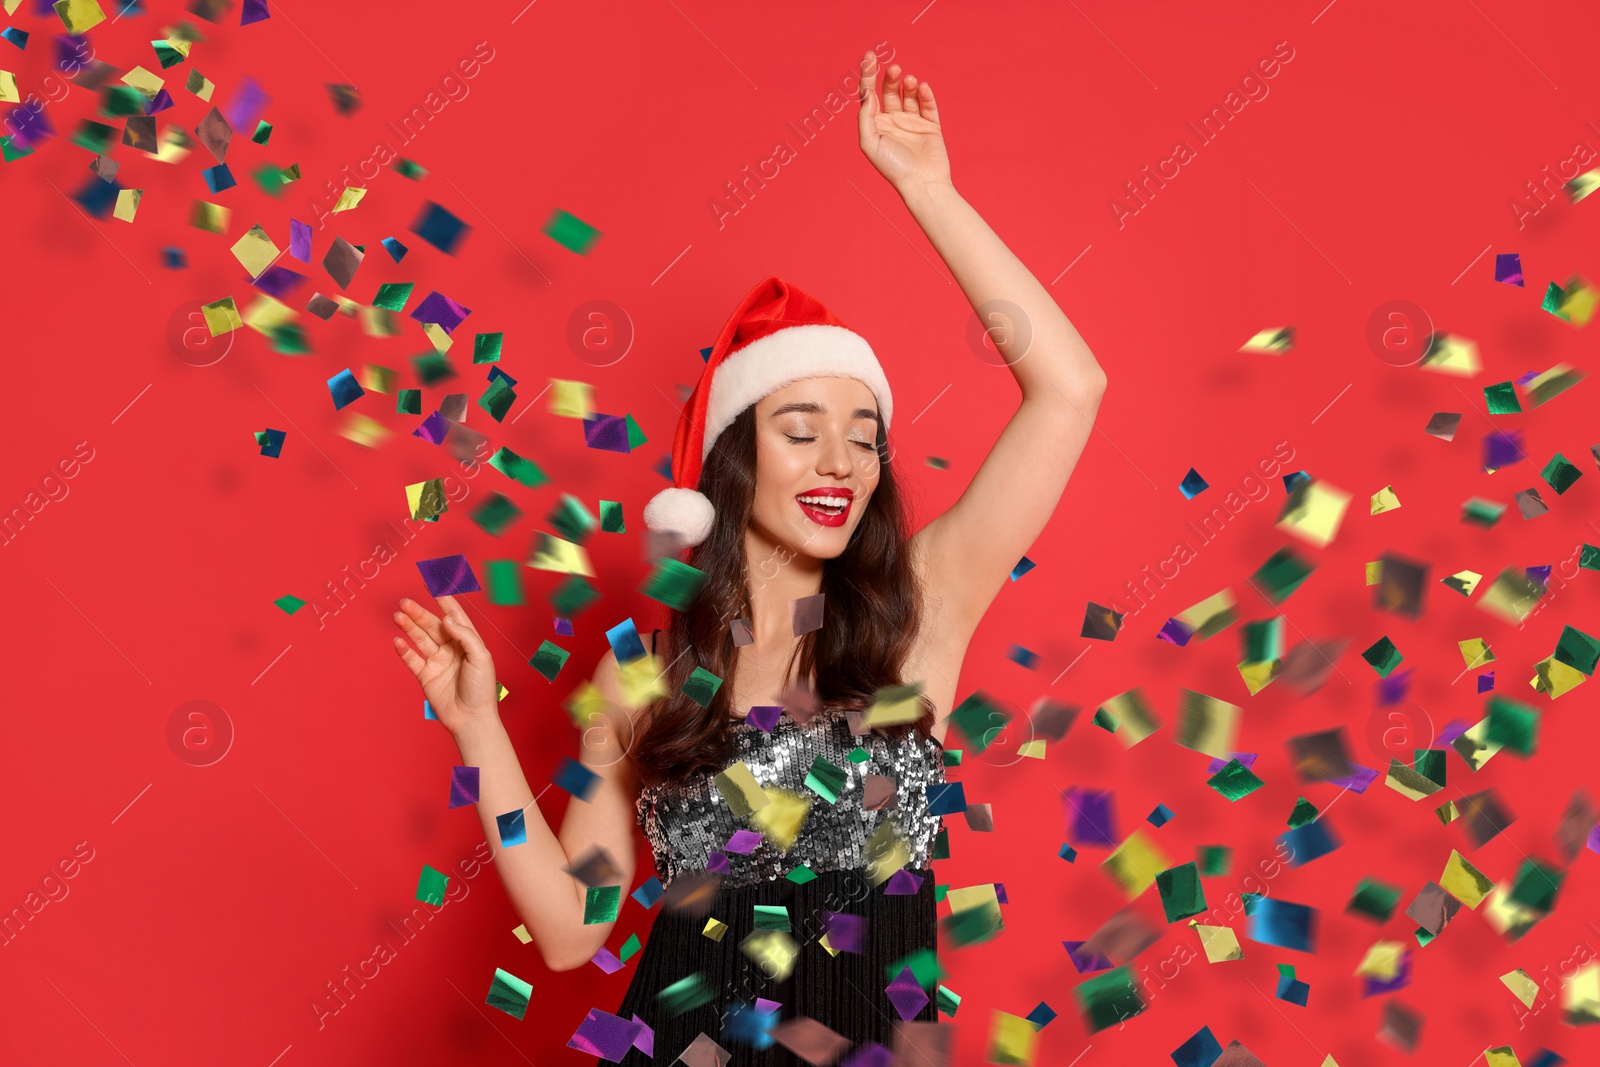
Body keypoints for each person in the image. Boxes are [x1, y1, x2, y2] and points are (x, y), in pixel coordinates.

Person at [391, 49, 1107, 1065]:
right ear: (734, 457)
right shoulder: (644, 666)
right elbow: (568, 928)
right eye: (801, 428)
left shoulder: (917, 612)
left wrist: (927, 189)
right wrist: (478, 729)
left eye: (864, 434)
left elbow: (1069, 389)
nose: (840, 460)